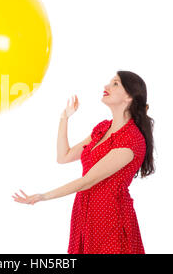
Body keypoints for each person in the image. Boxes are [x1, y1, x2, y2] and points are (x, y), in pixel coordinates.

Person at [12, 70, 155, 254]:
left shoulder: (131, 140)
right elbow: (63, 156)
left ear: (129, 97)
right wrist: (64, 118)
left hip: (109, 218)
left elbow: (87, 181)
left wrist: (42, 196)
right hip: (84, 212)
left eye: (115, 83)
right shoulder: (103, 128)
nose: (106, 86)